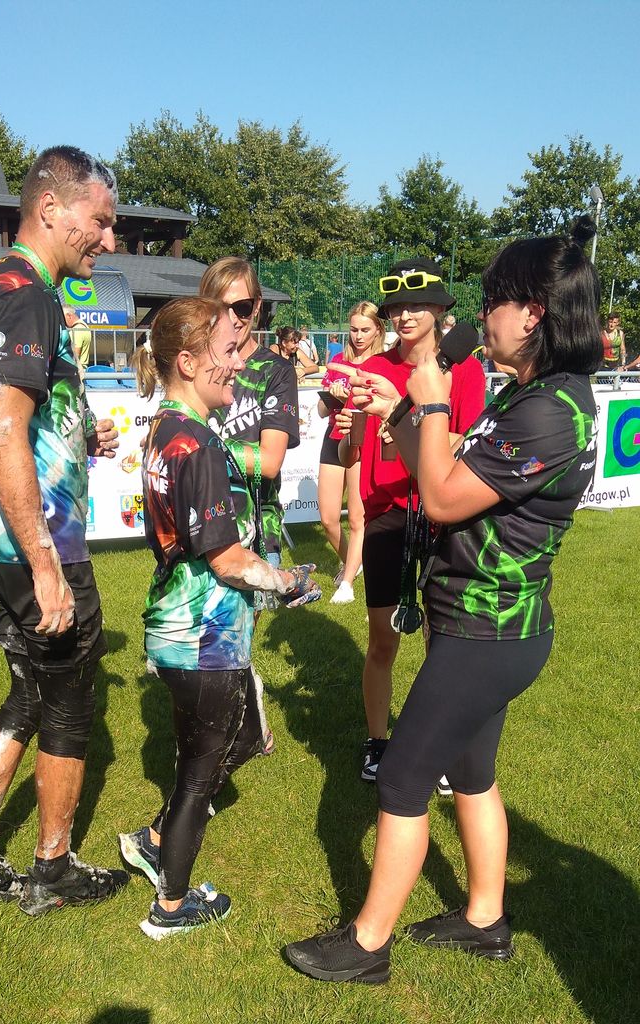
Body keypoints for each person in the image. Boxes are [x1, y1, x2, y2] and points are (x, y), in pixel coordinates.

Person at [284, 216, 602, 984]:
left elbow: (442, 496)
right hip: (486, 626)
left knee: (401, 778)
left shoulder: (548, 409)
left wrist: (426, 404)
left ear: (532, 313)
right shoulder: (530, 395)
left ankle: (367, 945)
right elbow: (452, 464)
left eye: (494, 301)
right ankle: (484, 921)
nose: (482, 316)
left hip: (487, 633)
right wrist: (393, 411)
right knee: (470, 772)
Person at [0, 145, 127, 917]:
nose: (109, 238)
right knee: (71, 695)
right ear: (51, 208)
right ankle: (52, 869)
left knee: (30, 688)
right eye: (99, 221)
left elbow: (17, 414)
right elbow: (2, 428)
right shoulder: (28, 296)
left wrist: (77, 435)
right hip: (35, 542)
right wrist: (45, 564)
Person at [118, 297, 319, 939]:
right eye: (228, 351)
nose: (239, 363)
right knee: (200, 776)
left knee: (237, 742)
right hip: (201, 636)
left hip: (183, 626)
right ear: (187, 361)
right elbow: (228, 559)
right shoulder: (199, 442)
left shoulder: (167, 426)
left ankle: (154, 840)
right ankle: (172, 906)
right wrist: (285, 581)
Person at [337, 260, 485, 782]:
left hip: (442, 514)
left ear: (440, 309)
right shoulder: (374, 367)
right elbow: (352, 449)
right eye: (396, 307)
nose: (404, 316)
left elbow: (466, 446)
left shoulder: (463, 369)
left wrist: (403, 417)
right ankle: (377, 742)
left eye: (416, 305)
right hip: (386, 515)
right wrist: (350, 428)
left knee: (441, 644)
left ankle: (437, 746)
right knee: (383, 640)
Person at [199, 257, 301, 757]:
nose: (231, 318)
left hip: (254, 527)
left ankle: (234, 735)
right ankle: (239, 730)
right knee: (209, 639)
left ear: (257, 307)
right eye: (219, 306)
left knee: (236, 638)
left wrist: (203, 447)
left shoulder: (275, 371)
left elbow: (271, 461)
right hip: (202, 519)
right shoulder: (198, 362)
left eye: (241, 306)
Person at [317, 301, 386, 605]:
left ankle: (346, 583)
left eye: (365, 330)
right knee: (328, 518)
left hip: (365, 438)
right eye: (354, 330)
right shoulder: (337, 361)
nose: (358, 336)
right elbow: (321, 411)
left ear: (378, 330)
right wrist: (333, 396)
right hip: (334, 435)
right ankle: (353, 564)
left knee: (358, 517)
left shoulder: (382, 363)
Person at [63, 305, 92, 376]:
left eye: (63, 318)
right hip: (82, 369)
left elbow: (74, 354)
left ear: (69, 316)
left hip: (76, 371)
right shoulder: (84, 327)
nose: (62, 321)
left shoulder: (76, 331)